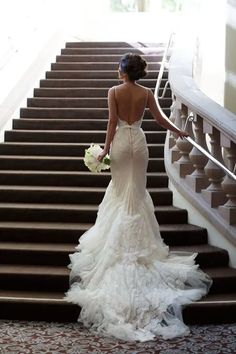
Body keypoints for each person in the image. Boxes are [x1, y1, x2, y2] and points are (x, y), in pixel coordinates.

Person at [64, 53, 212, 342]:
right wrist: (178, 130)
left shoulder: (113, 91)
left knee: (121, 192)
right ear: (139, 72)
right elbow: (159, 119)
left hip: (120, 143)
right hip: (139, 144)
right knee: (136, 192)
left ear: (122, 70)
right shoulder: (145, 93)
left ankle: (118, 245)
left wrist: (105, 151)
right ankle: (139, 245)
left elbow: (111, 122)